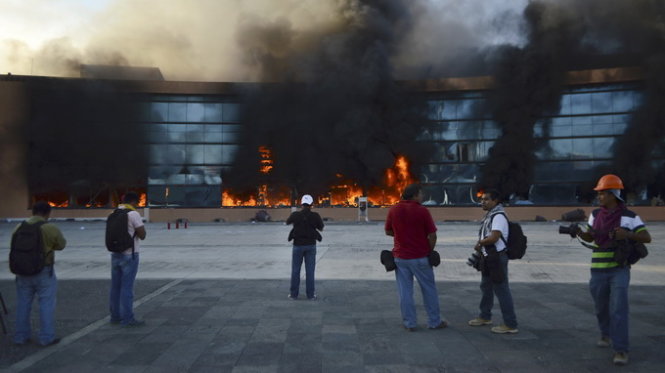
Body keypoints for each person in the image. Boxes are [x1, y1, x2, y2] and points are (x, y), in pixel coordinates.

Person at [577, 174, 651, 366]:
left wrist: (628, 234)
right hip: (598, 268)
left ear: (613, 195)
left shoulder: (630, 217)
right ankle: (605, 334)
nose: (599, 197)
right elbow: (591, 237)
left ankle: (620, 349)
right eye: (599, 193)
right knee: (600, 307)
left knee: (619, 308)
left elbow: (646, 237)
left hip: (619, 269)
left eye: (602, 193)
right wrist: (577, 232)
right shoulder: (595, 215)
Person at [385, 184, 446, 331]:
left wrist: (401, 236)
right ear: (414, 195)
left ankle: (409, 323)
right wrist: (429, 249)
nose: (422, 196)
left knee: (405, 292)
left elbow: (388, 231)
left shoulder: (394, 210)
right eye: (420, 194)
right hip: (420, 257)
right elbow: (432, 235)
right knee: (429, 290)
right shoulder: (422, 211)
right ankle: (434, 321)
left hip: (401, 258)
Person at [12, 201, 66, 346]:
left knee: (23, 304)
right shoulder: (49, 228)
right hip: (43, 270)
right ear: (48, 213)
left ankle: (20, 336)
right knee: (46, 304)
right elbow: (61, 245)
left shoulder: (19, 227)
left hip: (22, 271)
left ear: (33, 211)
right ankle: (46, 337)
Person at [468, 189, 518, 334]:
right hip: (489, 257)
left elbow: (494, 237)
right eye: (481, 199)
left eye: (486, 199)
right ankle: (485, 316)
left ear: (495, 201)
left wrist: (480, 243)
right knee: (486, 287)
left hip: (496, 258)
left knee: (502, 290)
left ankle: (510, 324)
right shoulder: (490, 215)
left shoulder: (498, 216)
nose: (482, 202)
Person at [109, 192, 147, 326]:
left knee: (115, 287)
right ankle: (128, 318)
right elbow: (142, 235)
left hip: (115, 254)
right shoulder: (133, 214)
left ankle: (115, 316)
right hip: (130, 254)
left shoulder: (115, 212)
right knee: (127, 288)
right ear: (134, 202)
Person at [286, 194, 324, 300]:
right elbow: (321, 228)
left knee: (295, 270)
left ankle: (294, 295)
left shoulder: (295, 215)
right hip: (311, 245)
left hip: (298, 245)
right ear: (311, 205)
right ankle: (310, 295)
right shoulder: (315, 216)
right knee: (310, 271)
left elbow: (287, 222)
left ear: (301, 204)